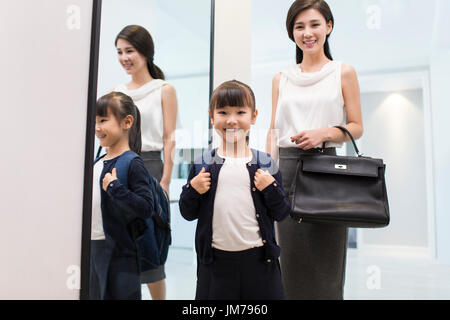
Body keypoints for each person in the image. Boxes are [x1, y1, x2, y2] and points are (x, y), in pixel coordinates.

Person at [266, 0, 363, 299]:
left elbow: (357, 126)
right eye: (299, 26)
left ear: (328, 27)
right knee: (290, 264)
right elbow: (274, 129)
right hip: (287, 171)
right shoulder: (281, 78)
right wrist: (267, 172)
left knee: (327, 267)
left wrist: (324, 133)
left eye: (314, 24)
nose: (307, 33)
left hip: (327, 170)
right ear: (292, 33)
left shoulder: (343, 72)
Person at [179, 80, 290, 300]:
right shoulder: (202, 163)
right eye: (223, 112)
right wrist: (192, 189)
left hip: (260, 262)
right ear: (212, 117)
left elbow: (282, 212)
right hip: (215, 265)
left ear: (254, 116)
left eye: (240, 112)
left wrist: (270, 189)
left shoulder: (266, 163)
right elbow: (187, 213)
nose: (231, 120)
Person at [113, 25, 178, 300]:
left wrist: (164, 181)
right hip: (120, 166)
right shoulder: (116, 92)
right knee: (121, 246)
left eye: (130, 51)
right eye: (119, 52)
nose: (125, 57)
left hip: (151, 169)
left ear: (145, 52)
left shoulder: (163, 89)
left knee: (150, 248)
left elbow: (170, 138)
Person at [90, 91, 153, 300]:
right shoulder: (97, 162)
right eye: (95, 121)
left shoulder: (132, 162)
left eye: (103, 120)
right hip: (93, 247)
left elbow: (146, 207)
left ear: (127, 122)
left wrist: (116, 188)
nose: (97, 127)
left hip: (120, 255)